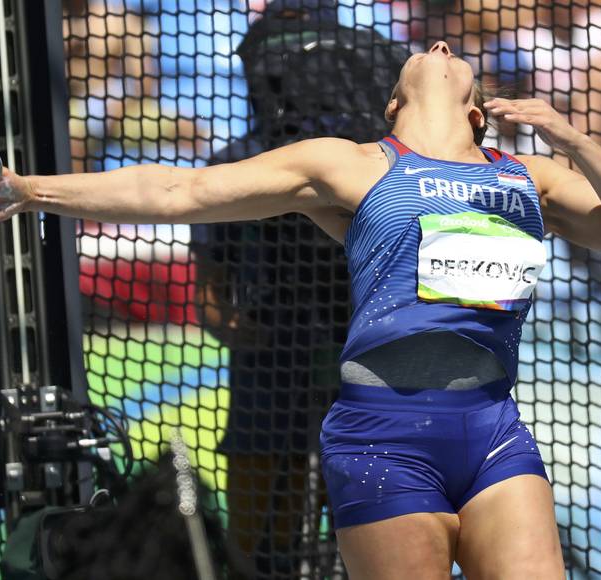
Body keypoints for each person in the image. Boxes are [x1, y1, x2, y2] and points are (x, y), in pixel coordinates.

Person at [0, 40, 601, 578]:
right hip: (383, 440)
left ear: (479, 112)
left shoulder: (530, 176)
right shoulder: (352, 165)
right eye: (424, 53)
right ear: (393, 104)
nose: (443, 45)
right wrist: (30, 190)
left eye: (451, 53)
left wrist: (572, 137)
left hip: (494, 435)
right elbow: (183, 192)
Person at [189, 1, 408, 576]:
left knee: (364, 521)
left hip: (359, 347)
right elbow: (210, 282)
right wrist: (233, 326)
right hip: (276, 351)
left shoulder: (375, 168)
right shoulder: (243, 161)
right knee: (265, 533)